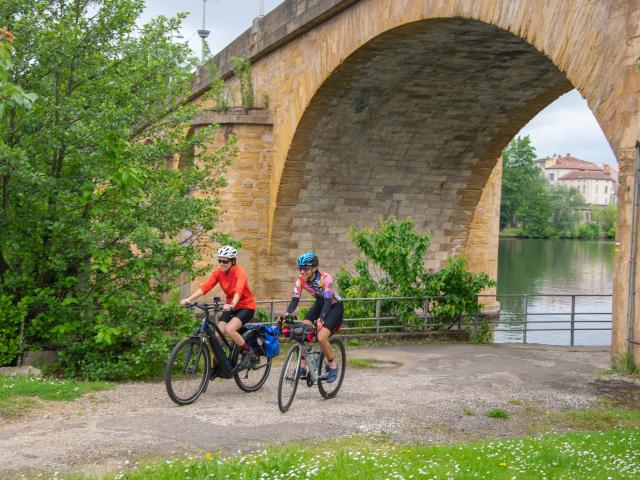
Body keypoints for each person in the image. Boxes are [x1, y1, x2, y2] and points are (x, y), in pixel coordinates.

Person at [180, 245, 257, 368]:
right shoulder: (218, 272)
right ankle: (218, 366)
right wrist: (189, 299)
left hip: (246, 307)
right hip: (230, 306)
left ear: (232, 261)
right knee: (217, 336)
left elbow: (239, 290)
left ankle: (249, 353)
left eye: (225, 261)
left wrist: (232, 304)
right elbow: (206, 287)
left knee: (230, 330)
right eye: (219, 260)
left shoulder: (239, 271)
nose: (221, 263)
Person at [280, 252, 344, 383]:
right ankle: (302, 367)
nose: (302, 271)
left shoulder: (326, 278)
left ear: (314, 268)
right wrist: (287, 314)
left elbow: (328, 301)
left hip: (334, 306)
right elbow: (295, 299)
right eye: (300, 268)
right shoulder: (301, 279)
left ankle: (333, 365)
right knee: (303, 329)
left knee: (321, 337)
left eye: (306, 268)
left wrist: (321, 319)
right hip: (320, 303)